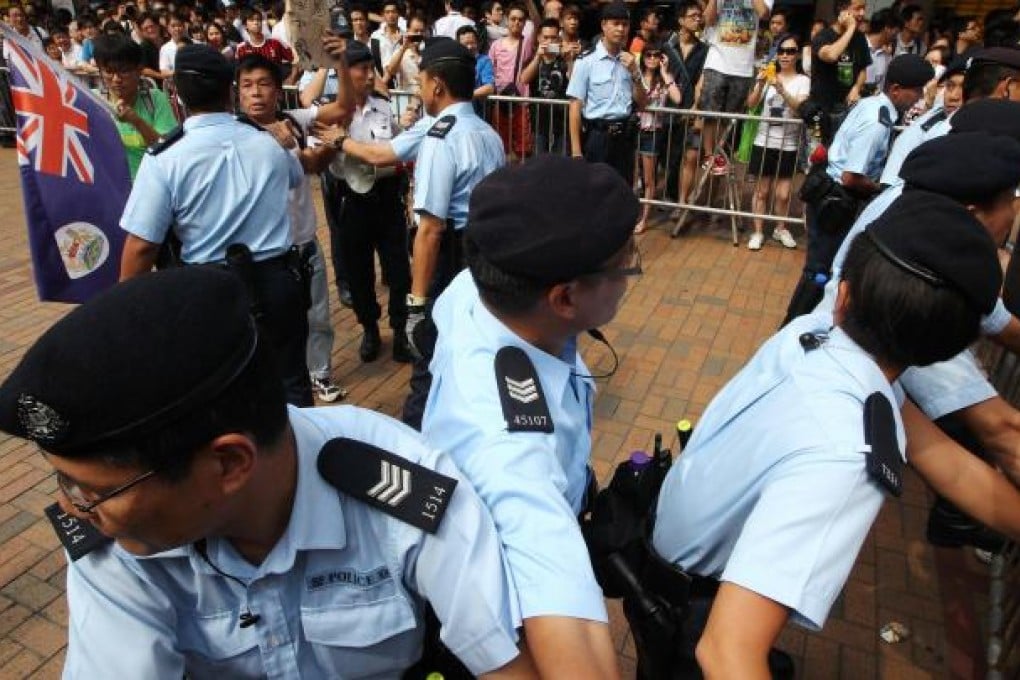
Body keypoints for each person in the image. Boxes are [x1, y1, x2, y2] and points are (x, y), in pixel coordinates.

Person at [0, 266, 533, 677]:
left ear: (229, 463)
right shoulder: (121, 539)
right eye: (64, 481)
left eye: (91, 490)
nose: (72, 507)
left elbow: (506, 664)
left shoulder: (404, 485)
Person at [646, 189, 1020, 678]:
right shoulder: (848, 452)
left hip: (669, 554)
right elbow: (725, 654)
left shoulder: (819, 336)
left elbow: (944, 460)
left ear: (843, 296)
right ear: (942, 354)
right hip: (693, 606)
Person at [423, 155, 633, 678]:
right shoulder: (510, 448)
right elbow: (575, 645)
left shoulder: (484, 286)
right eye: (625, 266)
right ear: (563, 297)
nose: (631, 275)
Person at [118, 44, 312, 407]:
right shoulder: (268, 142)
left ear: (176, 92)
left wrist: (123, 313)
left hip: (209, 287)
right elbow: (295, 178)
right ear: (230, 91)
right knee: (290, 382)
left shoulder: (165, 158)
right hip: (278, 280)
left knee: (221, 393)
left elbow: (142, 246)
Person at [334, 38, 505, 429]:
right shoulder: (487, 133)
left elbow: (429, 230)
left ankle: (414, 443)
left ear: (437, 86)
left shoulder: (442, 139)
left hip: (450, 258)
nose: (418, 88)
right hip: (483, 255)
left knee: (428, 358)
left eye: (422, 80)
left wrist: (414, 304)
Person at [235, 53, 352, 402]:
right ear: (237, 93)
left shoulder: (295, 121)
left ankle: (319, 373)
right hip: (262, 254)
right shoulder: (233, 135)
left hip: (303, 243)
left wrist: (339, 64)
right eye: (247, 85)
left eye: (264, 84)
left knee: (317, 317)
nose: (256, 93)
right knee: (265, 329)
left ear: (278, 89)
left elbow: (343, 106)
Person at [783, 54, 932, 323]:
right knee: (819, 272)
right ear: (896, 89)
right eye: (917, 90)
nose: (919, 97)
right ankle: (792, 326)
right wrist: (880, 189)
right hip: (837, 200)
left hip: (830, 193)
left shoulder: (873, 104)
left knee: (820, 268)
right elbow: (852, 177)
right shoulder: (876, 123)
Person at [324, 43, 415, 365]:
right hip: (352, 201)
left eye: (368, 69)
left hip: (387, 198)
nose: (366, 75)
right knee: (358, 272)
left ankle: (401, 330)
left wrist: (405, 125)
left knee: (399, 270)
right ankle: (370, 330)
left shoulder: (384, 107)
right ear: (344, 73)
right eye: (359, 69)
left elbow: (400, 148)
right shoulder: (331, 112)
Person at [567, 1, 648, 183]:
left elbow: (643, 103)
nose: (621, 29)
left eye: (625, 24)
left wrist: (635, 73)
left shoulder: (631, 61)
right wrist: (576, 152)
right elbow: (575, 106)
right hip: (597, 137)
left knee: (622, 193)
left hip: (625, 138)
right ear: (604, 25)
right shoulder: (586, 61)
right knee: (595, 196)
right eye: (616, 24)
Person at [744, 32, 808, 251]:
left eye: (790, 51)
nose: (785, 55)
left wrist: (780, 88)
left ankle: (781, 228)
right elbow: (751, 104)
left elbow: (801, 109)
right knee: (761, 191)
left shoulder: (803, 81)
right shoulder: (768, 74)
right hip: (763, 141)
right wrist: (761, 84)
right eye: (781, 51)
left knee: (783, 194)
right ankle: (758, 231)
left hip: (788, 143)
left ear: (797, 55)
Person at [696, 0, 771, 177]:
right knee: (710, 110)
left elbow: (764, 13)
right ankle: (709, 154)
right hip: (717, 60)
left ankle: (718, 153)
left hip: (743, 66)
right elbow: (708, 20)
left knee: (728, 117)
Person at [93, 33, 178, 180]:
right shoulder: (93, 101)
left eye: (124, 71)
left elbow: (167, 148)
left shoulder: (155, 98)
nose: (116, 79)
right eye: (109, 72)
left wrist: (136, 121)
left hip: (150, 187)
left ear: (139, 71)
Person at [634, 44, 682, 234]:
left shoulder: (663, 81)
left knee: (648, 180)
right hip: (634, 129)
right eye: (648, 55)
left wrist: (665, 72)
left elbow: (677, 99)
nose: (652, 58)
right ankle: (631, 214)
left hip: (652, 132)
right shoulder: (636, 76)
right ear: (643, 57)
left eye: (656, 55)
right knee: (632, 178)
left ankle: (644, 219)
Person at [810, 0, 871, 143]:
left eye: (864, 8)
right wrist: (850, 29)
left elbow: (863, 69)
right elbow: (831, 55)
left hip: (847, 110)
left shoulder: (860, 38)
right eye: (858, 8)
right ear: (843, 9)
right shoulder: (823, 36)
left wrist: (856, 87)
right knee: (816, 158)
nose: (862, 13)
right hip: (822, 111)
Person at [489, 3, 535, 159]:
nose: (517, 23)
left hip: (521, 101)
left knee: (523, 146)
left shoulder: (528, 43)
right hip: (500, 101)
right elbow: (491, 71)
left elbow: (538, 23)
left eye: (521, 20)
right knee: (500, 144)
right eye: (513, 19)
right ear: (506, 21)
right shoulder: (496, 45)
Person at [521, 17, 572, 154]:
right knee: (539, 164)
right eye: (546, 37)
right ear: (538, 38)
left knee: (560, 164)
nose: (549, 42)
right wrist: (538, 57)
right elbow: (524, 79)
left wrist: (569, 60)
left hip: (562, 122)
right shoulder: (533, 58)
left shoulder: (564, 59)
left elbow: (575, 82)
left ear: (559, 40)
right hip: (539, 121)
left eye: (553, 38)